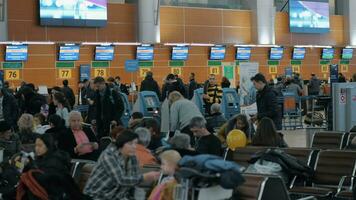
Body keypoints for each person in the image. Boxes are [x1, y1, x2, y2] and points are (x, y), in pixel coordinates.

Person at [84, 130, 160, 200]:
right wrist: (144, 177)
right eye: (130, 144)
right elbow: (120, 180)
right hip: (96, 195)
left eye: (135, 143)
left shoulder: (132, 157)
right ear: (122, 143)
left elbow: (134, 180)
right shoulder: (109, 155)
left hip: (117, 196)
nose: (134, 146)